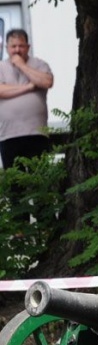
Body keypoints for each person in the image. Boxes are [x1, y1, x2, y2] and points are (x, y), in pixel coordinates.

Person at [0, 28, 53, 221]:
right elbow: (1, 91)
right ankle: (20, 230)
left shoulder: (39, 64)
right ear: (6, 48)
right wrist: (29, 87)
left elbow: (46, 81)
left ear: (27, 47)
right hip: (9, 135)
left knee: (41, 182)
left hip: (37, 134)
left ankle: (46, 226)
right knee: (16, 185)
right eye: (13, 46)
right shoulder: (1, 67)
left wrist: (22, 66)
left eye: (21, 46)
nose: (17, 50)